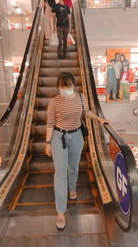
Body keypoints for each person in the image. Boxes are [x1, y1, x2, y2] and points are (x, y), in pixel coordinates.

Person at [45, 72, 111, 229]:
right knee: (60, 173)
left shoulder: (80, 98)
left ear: (73, 85)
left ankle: (72, 187)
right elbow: (49, 123)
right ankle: (60, 212)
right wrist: (47, 143)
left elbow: (86, 112)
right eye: (62, 87)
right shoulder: (53, 102)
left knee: (73, 166)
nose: (65, 89)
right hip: (58, 137)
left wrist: (100, 119)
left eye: (67, 86)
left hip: (76, 136)